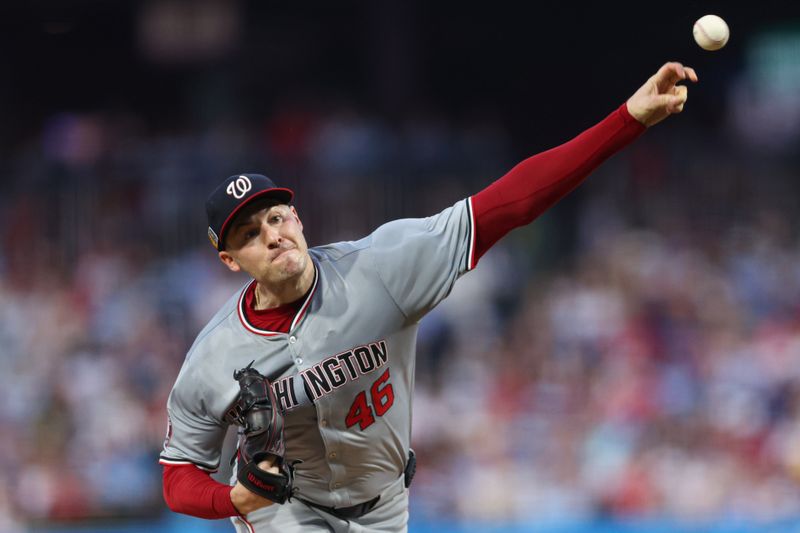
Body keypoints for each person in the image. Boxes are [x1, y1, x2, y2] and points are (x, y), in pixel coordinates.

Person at [159, 62, 698, 532]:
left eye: (276, 217)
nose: (273, 235)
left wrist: (629, 119)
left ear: (298, 218)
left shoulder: (381, 268)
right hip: (285, 508)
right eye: (249, 234)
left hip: (384, 505)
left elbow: (509, 204)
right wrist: (231, 498)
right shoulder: (214, 356)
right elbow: (178, 474)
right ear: (230, 261)